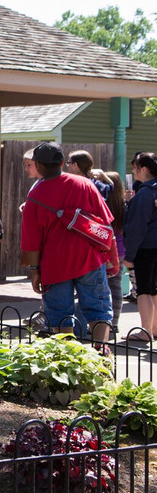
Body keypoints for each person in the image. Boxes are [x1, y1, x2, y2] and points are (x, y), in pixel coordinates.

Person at [20, 141, 117, 352]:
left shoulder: (34, 197)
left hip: (55, 264)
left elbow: (32, 241)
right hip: (89, 259)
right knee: (98, 307)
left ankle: (69, 358)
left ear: (37, 164)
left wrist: (35, 271)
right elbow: (105, 221)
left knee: (59, 313)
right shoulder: (85, 184)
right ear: (63, 162)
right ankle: (102, 351)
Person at [124, 152, 157, 341]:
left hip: (145, 248)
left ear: (144, 169)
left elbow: (137, 226)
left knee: (143, 290)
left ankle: (145, 331)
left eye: (135, 167)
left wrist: (129, 254)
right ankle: (153, 328)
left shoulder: (145, 193)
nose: (134, 171)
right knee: (154, 289)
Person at [99, 169, 127, 333]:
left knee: (102, 286)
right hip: (120, 249)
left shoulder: (103, 203)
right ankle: (114, 322)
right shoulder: (123, 204)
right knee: (115, 287)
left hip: (105, 248)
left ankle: (103, 322)